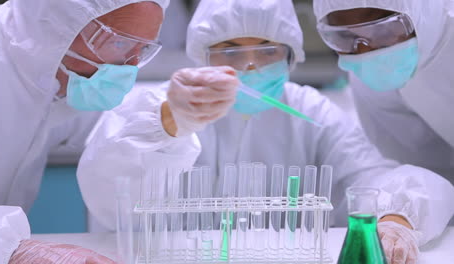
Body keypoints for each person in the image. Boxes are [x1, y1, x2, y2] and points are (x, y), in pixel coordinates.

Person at [77, 0, 454, 264]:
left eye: (268, 50)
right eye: (229, 50)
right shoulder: (158, 106)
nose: (251, 66)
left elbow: (375, 177)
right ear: (201, 55)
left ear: (291, 56)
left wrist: (397, 215)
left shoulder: (310, 112)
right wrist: (168, 122)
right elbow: (108, 199)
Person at [0, 0, 177, 262]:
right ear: (54, 25)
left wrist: (166, 118)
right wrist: (5, 248)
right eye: (119, 43)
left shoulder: (54, 78)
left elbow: (110, 131)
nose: (130, 67)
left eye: (142, 49)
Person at [313, 0, 454, 184]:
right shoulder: (370, 71)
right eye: (344, 36)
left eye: (381, 31)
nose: (365, 50)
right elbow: (416, 169)